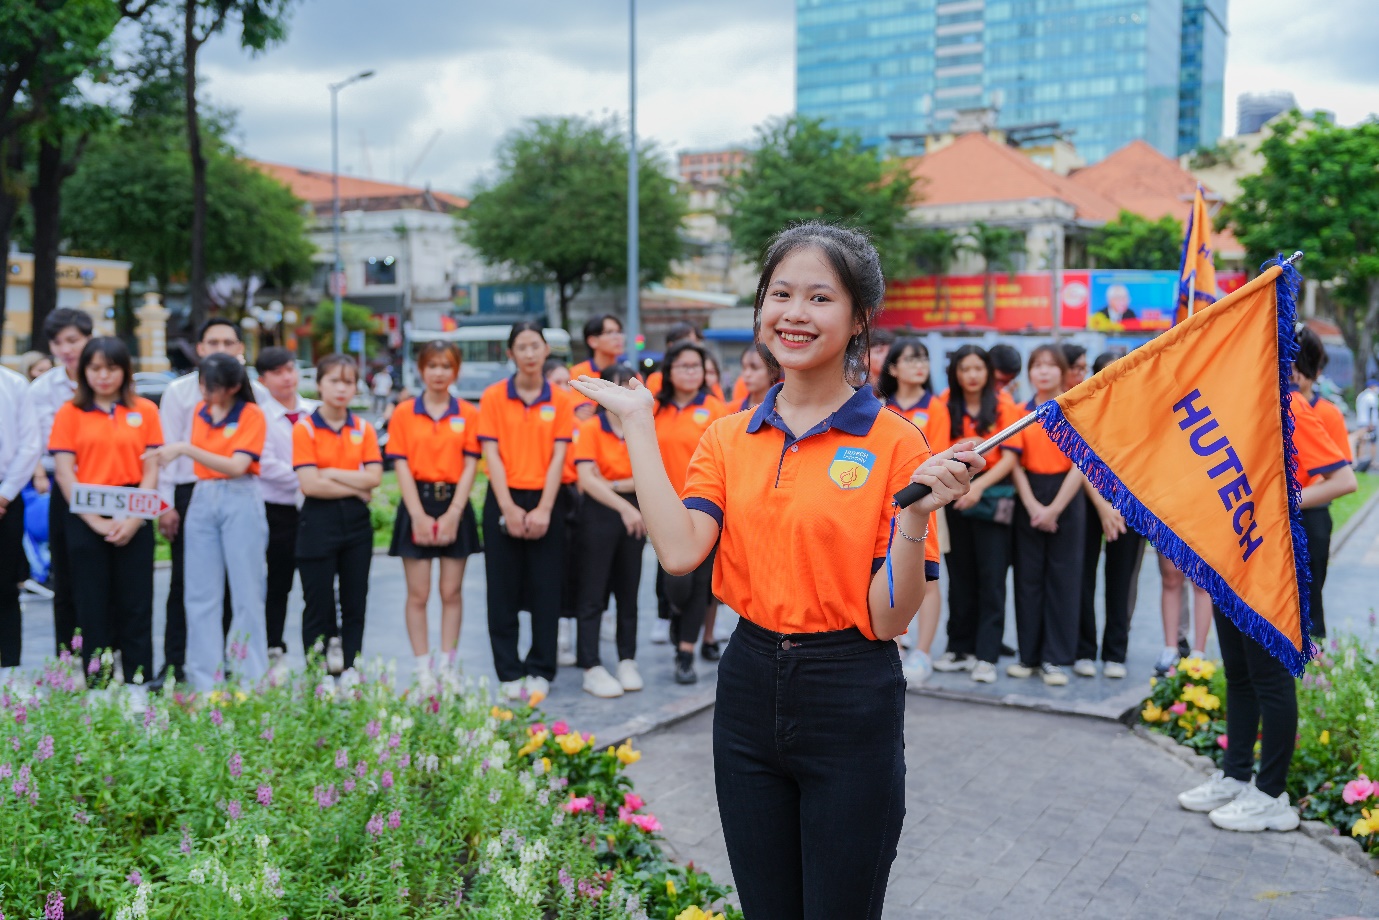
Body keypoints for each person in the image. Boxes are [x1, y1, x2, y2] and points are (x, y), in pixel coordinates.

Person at [572, 221, 976, 919]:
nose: (794, 313)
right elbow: (677, 551)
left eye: (819, 298)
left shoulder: (896, 442)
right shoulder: (728, 437)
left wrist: (914, 519)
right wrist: (637, 422)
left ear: (856, 321)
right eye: (780, 293)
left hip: (851, 692)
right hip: (748, 685)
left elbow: (890, 617)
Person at [1178, 335, 1356, 833]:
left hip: (1270, 560)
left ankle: (1271, 795)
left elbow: (1343, 480)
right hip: (1228, 556)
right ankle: (1236, 776)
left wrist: (1279, 506)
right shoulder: (1230, 403)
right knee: (1237, 672)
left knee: (1270, 676)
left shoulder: (1289, 403)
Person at [145, 354, 268, 692]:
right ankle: (204, 682)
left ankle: (250, 679)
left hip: (240, 496)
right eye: (201, 384)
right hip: (202, 496)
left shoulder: (252, 414)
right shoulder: (202, 412)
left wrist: (185, 448)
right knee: (199, 594)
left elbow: (237, 465)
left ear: (232, 387)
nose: (203, 393)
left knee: (247, 592)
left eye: (210, 387)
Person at [49, 338, 163, 684]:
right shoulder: (70, 412)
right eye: (95, 368)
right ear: (84, 371)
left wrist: (134, 519)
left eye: (111, 368)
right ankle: (98, 683)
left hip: (134, 506)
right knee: (90, 601)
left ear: (124, 370)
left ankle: (137, 683)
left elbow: (152, 469)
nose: (103, 376)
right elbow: (65, 470)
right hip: (85, 509)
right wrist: (95, 522)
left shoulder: (146, 410)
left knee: (136, 601)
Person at [478, 321, 576, 701]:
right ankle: (508, 671)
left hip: (547, 498)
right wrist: (508, 508)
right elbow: (492, 455)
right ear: (511, 354)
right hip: (503, 496)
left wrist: (544, 509)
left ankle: (540, 667)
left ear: (546, 350)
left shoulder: (560, 400)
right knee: (500, 590)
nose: (530, 353)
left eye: (536, 346)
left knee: (545, 589)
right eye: (522, 347)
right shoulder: (492, 398)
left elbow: (558, 458)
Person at [385, 341, 482, 691]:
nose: (439, 373)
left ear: (456, 371)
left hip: (454, 503)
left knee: (451, 591)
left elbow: (472, 462)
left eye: (446, 366)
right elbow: (400, 464)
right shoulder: (404, 412)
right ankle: (423, 669)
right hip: (417, 503)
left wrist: (455, 512)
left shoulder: (469, 413)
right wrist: (418, 515)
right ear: (421, 369)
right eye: (432, 366)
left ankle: (448, 666)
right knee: (418, 594)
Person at [933, 344, 1020, 682]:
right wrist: (960, 488)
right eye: (964, 368)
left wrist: (978, 487)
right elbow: (938, 451)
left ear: (988, 372)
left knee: (992, 577)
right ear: (955, 372)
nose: (971, 375)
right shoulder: (943, 404)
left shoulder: (1003, 406)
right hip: (953, 497)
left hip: (989, 496)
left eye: (977, 368)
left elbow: (1010, 458)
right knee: (960, 576)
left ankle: (987, 653)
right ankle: (959, 647)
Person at [293, 355, 383, 680]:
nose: (342, 388)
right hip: (317, 522)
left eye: (348, 382)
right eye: (334, 380)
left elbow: (374, 478)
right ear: (319, 384)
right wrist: (353, 482)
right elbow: (309, 485)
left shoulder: (363, 428)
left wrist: (329, 471)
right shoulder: (304, 428)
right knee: (317, 602)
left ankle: (350, 667)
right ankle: (317, 673)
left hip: (357, 525)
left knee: (354, 599)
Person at [1007, 345, 1086, 685]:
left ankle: (1056, 659)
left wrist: (1054, 508)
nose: (1043, 372)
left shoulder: (1075, 410)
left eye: (1051, 366)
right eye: (1037, 365)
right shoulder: (1019, 411)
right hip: (1029, 497)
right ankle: (1030, 657)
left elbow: (1082, 466)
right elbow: (1015, 466)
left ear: (1064, 372)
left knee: (1063, 580)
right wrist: (1033, 506)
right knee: (1027, 579)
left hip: (1067, 498)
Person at [653, 340, 729, 682]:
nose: (689, 372)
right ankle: (678, 624)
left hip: (705, 508)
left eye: (695, 367)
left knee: (699, 583)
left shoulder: (715, 408)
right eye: (682, 366)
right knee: (675, 587)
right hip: (664, 510)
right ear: (669, 371)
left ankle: (685, 651)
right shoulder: (656, 408)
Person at [876, 337, 951, 682]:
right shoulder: (879, 405)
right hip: (884, 501)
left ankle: (923, 651)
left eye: (923, 359)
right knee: (888, 572)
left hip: (926, 502)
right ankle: (898, 644)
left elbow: (937, 456)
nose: (919, 365)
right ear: (892, 368)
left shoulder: (934, 405)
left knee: (928, 576)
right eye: (910, 359)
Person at [571, 364, 646, 698]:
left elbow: (649, 474)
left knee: (628, 591)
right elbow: (586, 480)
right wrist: (626, 506)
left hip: (634, 511)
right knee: (592, 592)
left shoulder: (641, 428)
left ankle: (627, 660)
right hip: (600, 514)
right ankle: (591, 666)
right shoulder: (591, 429)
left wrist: (612, 483)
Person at [26, 308, 93, 654]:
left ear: (88, 339)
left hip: (104, 482)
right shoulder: (42, 389)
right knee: (65, 575)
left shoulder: (107, 380)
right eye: (58, 342)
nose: (66, 349)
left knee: (104, 578)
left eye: (73, 340)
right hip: (61, 485)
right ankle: (68, 659)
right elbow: (36, 442)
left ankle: (110, 656)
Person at [1076, 352, 1146, 680]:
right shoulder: (1087, 412)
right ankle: (1084, 650)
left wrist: (1119, 506)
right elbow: (1083, 462)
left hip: (1130, 508)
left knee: (1121, 581)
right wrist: (1104, 507)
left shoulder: (1145, 416)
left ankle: (1115, 652)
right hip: (1090, 505)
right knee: (1083, 578)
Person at [254, 347, 318, 676]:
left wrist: (316, 481)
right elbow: (264, 464)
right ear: (263, 380)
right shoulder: (259, 415)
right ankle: (273, 645)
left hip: (314, 508)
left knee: (316, 583)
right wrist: (309, 477)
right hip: (277, 510)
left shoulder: (315, 412)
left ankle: (317, 652)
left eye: (290, 369)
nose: (287, 377)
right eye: (278, 372)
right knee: (278, 583)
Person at [1292, 326, 1351, 638]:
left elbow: (1340, 473)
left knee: (1312, 594)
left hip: (1311, 512)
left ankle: (1315, 658)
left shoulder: (1327, 413)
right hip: (1280, 513)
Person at [0, 365, 40, 680]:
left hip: (5, 498)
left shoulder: (13, 384)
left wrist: (4, 495)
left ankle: (9, 676)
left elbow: (29, 444)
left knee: (4, 588)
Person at [545, 356, 582, 667]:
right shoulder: (544, 423)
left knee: (574, 567)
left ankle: (567, 631)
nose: (561, 389)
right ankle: (552, 633)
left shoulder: (581, 424)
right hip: (550, 494)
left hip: (576, 496)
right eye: (555, 382)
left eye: (564, 382)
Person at [570, 313, 626, 418]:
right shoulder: (577, 374)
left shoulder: (630, 375)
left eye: (619, 332)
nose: (618, 337)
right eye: (610, 332)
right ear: (592, 341)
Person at [735, 344, 780, 412]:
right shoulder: (732, 410)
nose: (747, 374)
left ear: (773, 372)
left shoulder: (782, 410)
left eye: (755, 368)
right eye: (744, 368)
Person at [865, 326, 897, 392]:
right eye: (879, 351)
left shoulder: (902, 390)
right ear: (863, 358)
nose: (886, 355)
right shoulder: (856, 391)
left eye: (890, 351)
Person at [1356, 378, 1378, 470]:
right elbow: (1371, 409)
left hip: (1361, 421)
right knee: (1373, 441)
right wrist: (1371, 423)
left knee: (1362, 441)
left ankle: (1360, 460)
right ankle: (1372, 461)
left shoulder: (1361, 395)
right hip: (1369, 423)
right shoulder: (1371, 396)